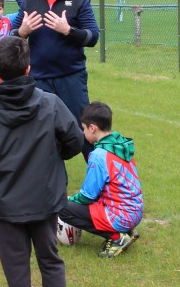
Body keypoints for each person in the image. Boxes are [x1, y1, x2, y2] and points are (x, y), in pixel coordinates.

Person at [0, 35, 86, 287]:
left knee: (21, 263)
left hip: (20, 198)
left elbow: (72, 140)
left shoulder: (46, 102)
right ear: (27, 68)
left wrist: (52, 159)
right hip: (29, 199)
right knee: (48, 259)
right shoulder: (41, 103)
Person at [16, 0, 100, 153]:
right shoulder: (29, 1)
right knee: (43, 134)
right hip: (40, 79)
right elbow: (10, 38)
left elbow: (93, 37)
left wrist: (68, 31)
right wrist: (22, 31)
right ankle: (50, 181)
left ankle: (96, 181)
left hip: (71, 77)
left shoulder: (79, 0)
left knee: (84, 131)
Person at [58, 101, 144, 258]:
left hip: (121, 215)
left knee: (62, 207)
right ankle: (124, 229)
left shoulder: (99, 155)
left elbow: (87, 196)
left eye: (83, 128)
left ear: (92, 128)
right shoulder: (119, 143)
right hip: (135, 211)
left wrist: (71, 199)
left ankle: (117, 237)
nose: (83, 133)